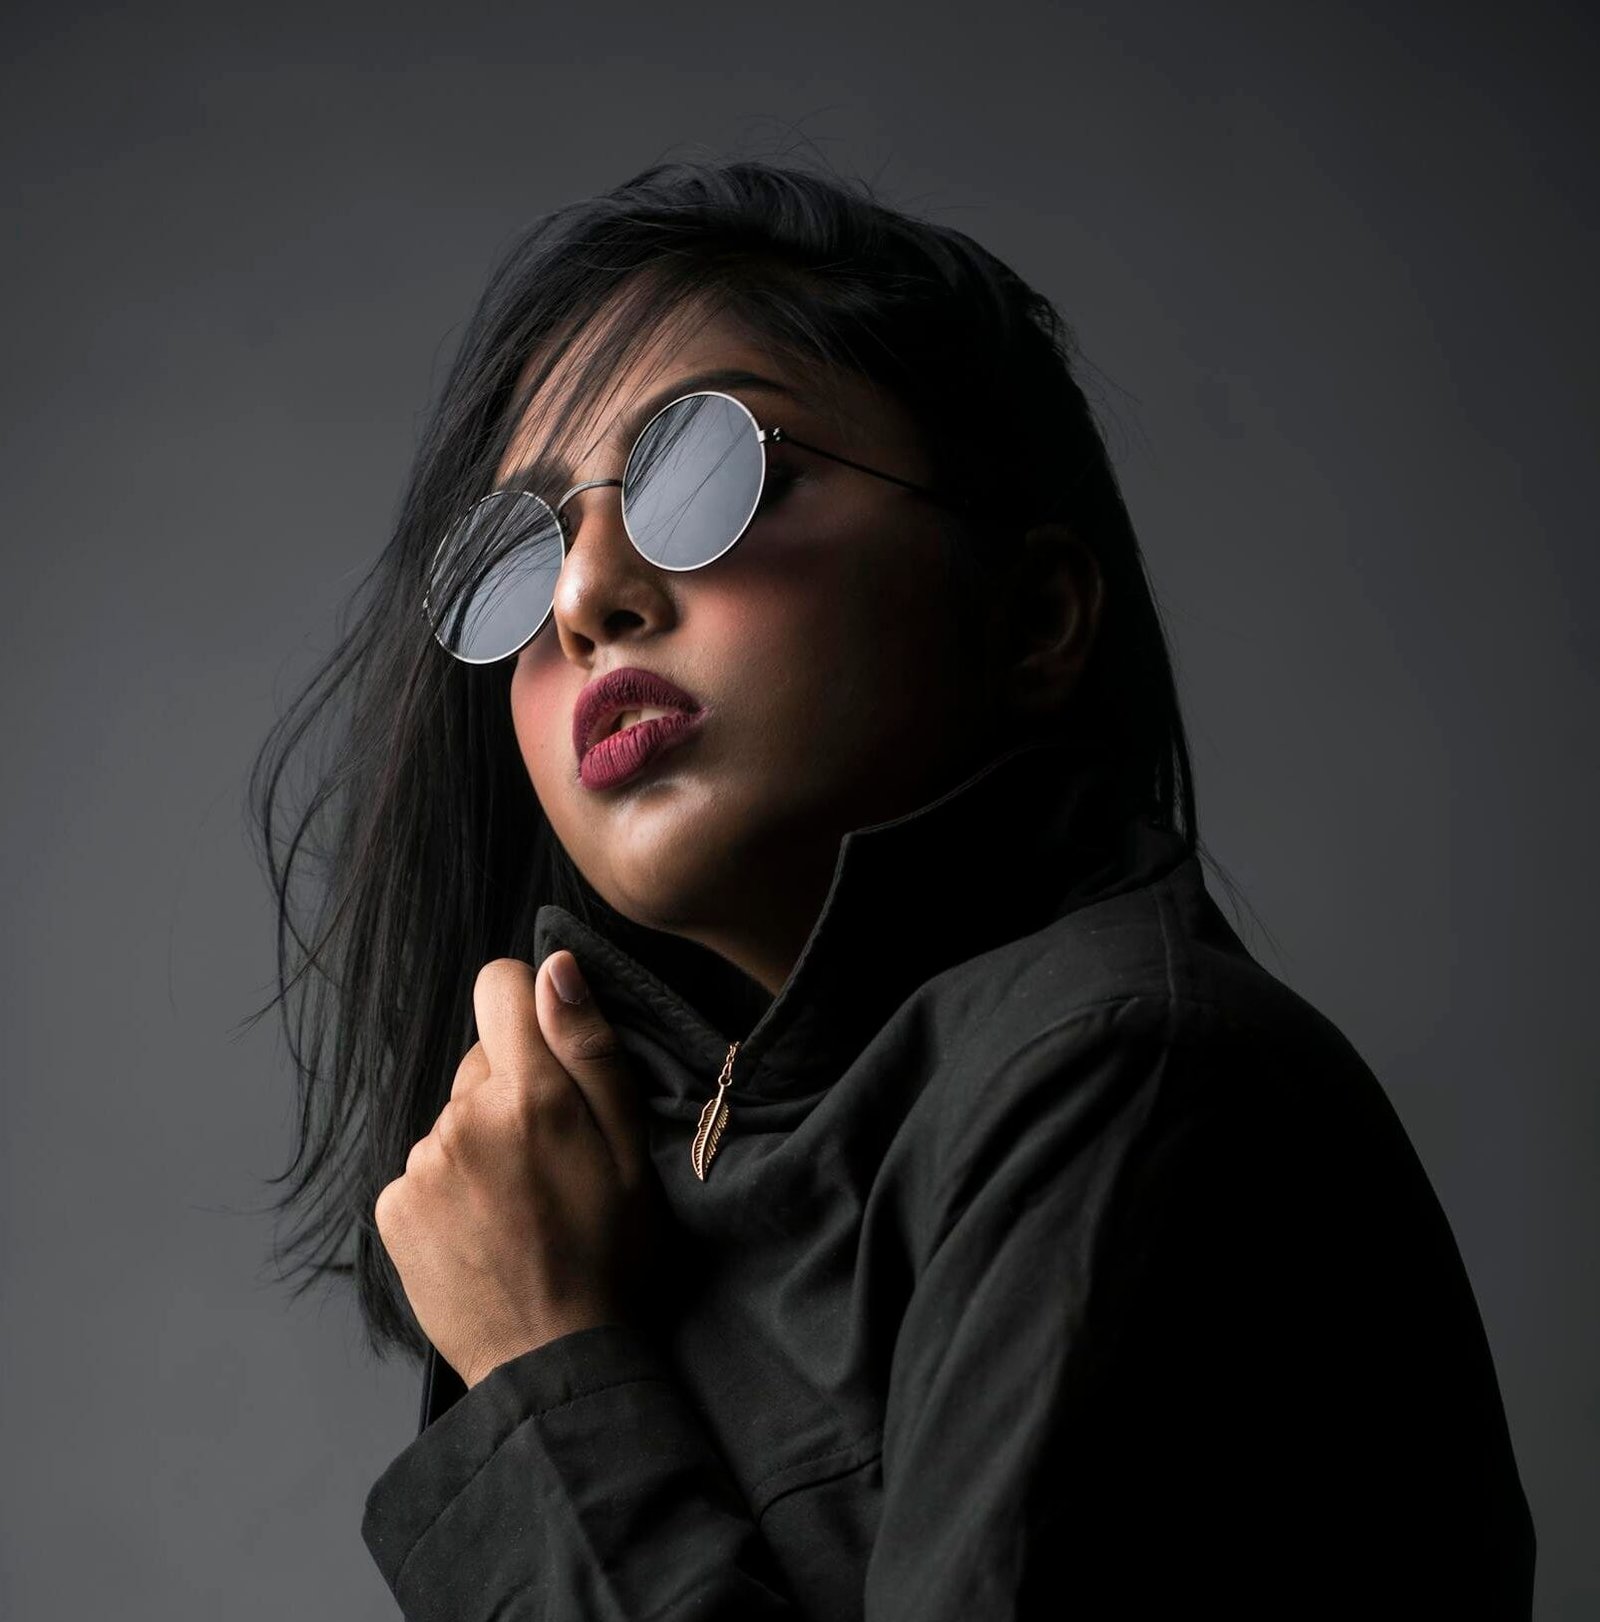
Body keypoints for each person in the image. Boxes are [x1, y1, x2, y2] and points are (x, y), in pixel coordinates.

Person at [248, 155, 1535, 1618]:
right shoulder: (590, 1165)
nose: (584, 594)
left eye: (720, 471)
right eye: (523, 544)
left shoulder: (1122, 1076)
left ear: (1036, 612)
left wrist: (547, 1377)